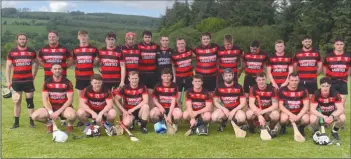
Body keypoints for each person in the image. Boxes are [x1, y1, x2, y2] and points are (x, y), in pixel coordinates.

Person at [6, 33, 39, 129]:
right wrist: (8, 81)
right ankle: (16, 123)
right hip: (16, 81)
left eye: (24, 39)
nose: (22, 41)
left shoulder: (31, 52)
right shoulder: (12, 52)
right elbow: (8, 67)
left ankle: (31, 122)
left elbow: (37, 63)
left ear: (26, 40)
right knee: (17, 102)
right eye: (20, 39)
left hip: (28, 81)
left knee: (30, 102)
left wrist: (34, 74)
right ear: (17, 40)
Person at [31, 63, 76, 133]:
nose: (57, 70)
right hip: (52, 107)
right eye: (55, 69)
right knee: (34, 116)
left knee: (72, 115)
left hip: (64, 108)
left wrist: (59, 111)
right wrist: (50, 112)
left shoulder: (67, 82)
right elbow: (45, 99)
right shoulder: (47, 82)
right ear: (51, 70)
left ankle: (69, 125)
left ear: (62, 70)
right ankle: (49, 124)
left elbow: (70, 100)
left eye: (59, 69)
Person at [323, 37, 351, 107]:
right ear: (334, 45)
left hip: (343, 82)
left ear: (343, 45)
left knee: (342, 104)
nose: (339, 46)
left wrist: (346, 75)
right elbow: (324, 67)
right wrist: (327, 77)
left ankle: (339, 117)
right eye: (337, 44)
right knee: (331, 104)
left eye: (341, 44)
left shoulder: (348, 55)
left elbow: (350, 67)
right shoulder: (328, 56)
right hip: (331, 82)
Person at [72, 30, 99, 101]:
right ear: (78, 37)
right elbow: (74, 61)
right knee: (81, 98)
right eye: (81, 36)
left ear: (87, 37)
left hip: (90, 77)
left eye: (85, 36)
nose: (83, 37)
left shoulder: (93, 49)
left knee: (91, 97)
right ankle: (81, 111)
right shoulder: (75, 49)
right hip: (79, 77)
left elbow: (96, 60)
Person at [137, 30, 159, 108]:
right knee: (142, 94)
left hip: (152, 74)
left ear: (151, 38)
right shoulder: (138, 46)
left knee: (151, 94)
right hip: (142, 74)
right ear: (143, 38)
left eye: (149, 37)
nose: (147, 39)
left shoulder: (155, 46)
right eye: (145, 37)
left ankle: (151, 112)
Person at [171, 37, 194, 107]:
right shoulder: (174, 54)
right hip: (179, 77)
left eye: (182, 43)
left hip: (189, 77)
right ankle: (179, 111)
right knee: (178, 97)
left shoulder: (190, 51)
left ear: (185, 44)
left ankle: (187, 111)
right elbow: (173, 66)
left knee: (188, 96)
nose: (181, 45)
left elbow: (198, 58)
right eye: (179, 44)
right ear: (177, 45)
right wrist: (174, 77)